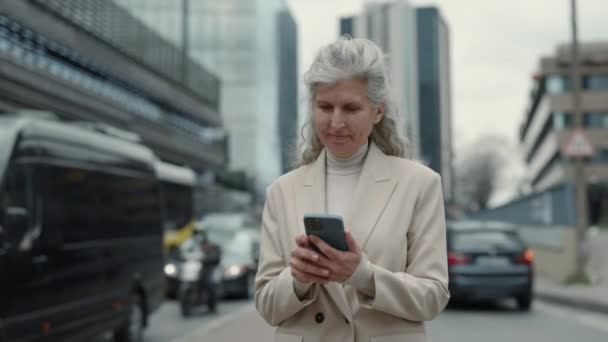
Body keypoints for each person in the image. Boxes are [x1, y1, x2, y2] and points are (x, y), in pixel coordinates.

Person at [254, 37, 450, 342]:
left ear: (378, 112)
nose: (336, 122)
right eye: (325, 107)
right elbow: (266, 305)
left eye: (350, 108)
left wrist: (364, 275)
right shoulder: (282, 191)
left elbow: (433, 296)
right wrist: (297, 279)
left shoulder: (419, 184)